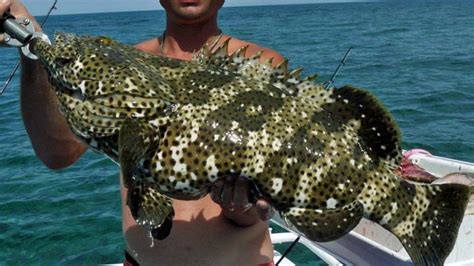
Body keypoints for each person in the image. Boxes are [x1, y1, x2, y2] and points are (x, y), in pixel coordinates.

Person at [0, 0, 285, 265]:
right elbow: (58, 153)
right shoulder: (122, 65)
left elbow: (274, 190)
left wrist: (241, 206)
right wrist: (32, 45)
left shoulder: (261, 68)